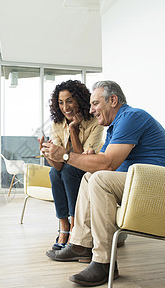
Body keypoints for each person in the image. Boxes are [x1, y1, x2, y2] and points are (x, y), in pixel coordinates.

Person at [40, 80, 165, 287]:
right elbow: (103, 162)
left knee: (99, 178)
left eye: (95, 104)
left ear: (113, 100)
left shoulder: (132, 116)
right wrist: (90, 158)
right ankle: (80, 244)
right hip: (144, 179)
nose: (91, 110)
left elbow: (108, 164)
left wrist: (65, 156)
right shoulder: (114, 128)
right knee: (90, 176)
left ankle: (104, 262)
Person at [39, 79, 104, 251]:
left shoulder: (94, 123)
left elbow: (83, 160)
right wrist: (47, 153)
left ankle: (76, 228)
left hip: (88, 171)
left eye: (69, 100)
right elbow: (58, 166)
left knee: (69, 170)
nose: (65, 107)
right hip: (67, 170)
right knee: (54, 172)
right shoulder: (57, 124)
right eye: (60, 102)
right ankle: (64, 225)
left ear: (79, 100)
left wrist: (74, 130)